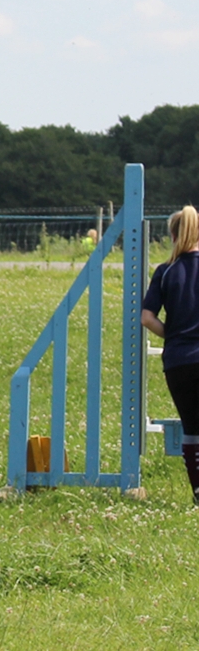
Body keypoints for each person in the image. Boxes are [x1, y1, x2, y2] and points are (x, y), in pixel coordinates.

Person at [141, 205, 199, 505]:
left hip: (179, 360)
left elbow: (147, 317)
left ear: (173, 236)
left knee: (191, 427)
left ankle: (198, 489)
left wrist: (173, 335)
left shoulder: (165, 271)